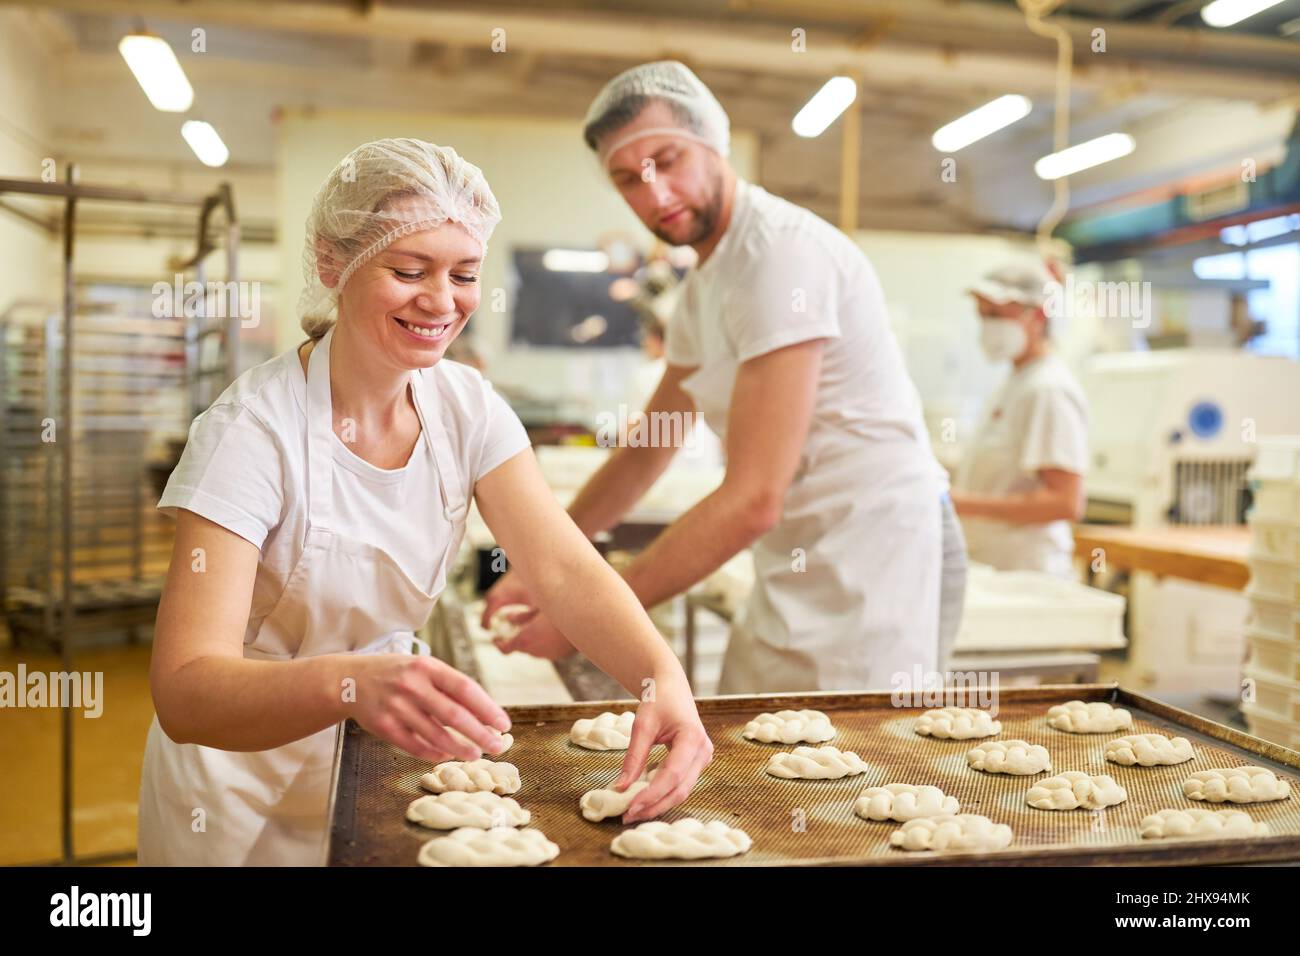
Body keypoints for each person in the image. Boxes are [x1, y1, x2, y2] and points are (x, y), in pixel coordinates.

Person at [137, 138, 711, 865]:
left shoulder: (466, 409)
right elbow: (185, 689)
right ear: (330, 265)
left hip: (379, 771)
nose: (442, 302)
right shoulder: (251, 434)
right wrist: (349, 681)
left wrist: (664, 679)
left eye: (464, 274)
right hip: (231, 794)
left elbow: (563, 570)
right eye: (409, 271)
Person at [486, 62, 959, 692]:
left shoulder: (778, 256)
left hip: (874, 552)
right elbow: (650, 447)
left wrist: (586, 616)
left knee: (846, 766)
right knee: (763, 751)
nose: (654, 195)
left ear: (713, 144)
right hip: (797, 549)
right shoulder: (704, 288)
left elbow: (753, 499)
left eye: (668, 159)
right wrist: (545, 564)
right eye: (629, 179)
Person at [950, 259, 1089, 577]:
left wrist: (964, 504)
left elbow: (1065, 501)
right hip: (998, 567)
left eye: (996, 315)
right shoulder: (1014, 383)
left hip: (1029, 573)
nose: (987, 326)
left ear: (1038, 315)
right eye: (982, 316)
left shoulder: (1048, 389)